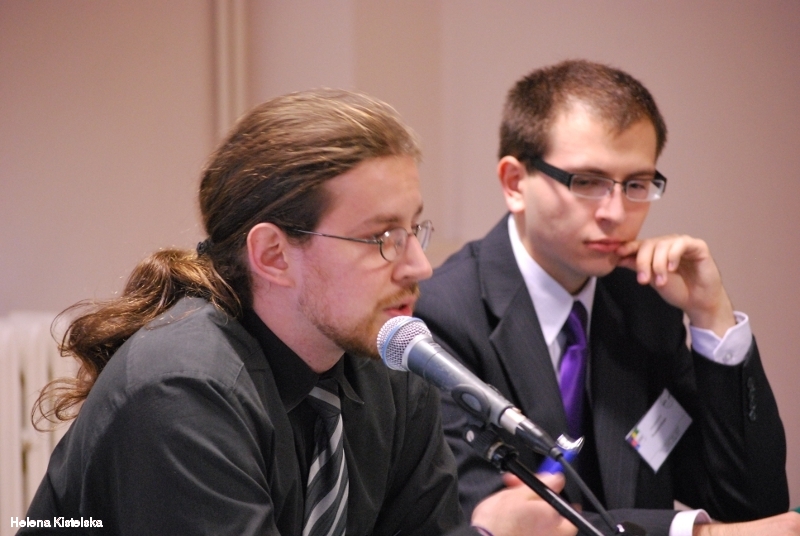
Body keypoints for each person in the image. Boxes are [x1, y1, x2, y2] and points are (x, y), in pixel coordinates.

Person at [18, 89, 578, 536]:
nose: (419, 266)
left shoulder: (392, 369)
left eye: (414, 230)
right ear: (273, 255)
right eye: (382, 238)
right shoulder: (180, 388)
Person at [414, 60, 793, 536]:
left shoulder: (644, 301)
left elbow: (752, 503)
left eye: (636, 185)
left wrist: (710, 314)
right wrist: (699, 534)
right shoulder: (441, 316)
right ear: (515, 183)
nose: (616, 212)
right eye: (587, 182)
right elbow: (504, 524)